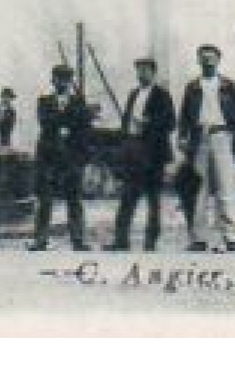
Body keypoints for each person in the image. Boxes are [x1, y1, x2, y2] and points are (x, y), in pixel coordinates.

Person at [178, 43, 235, 253]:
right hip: (199, 138)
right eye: (204, 58)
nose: (208, 61)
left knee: (226, 189)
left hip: (222, 137)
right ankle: (199, 239)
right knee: (198, 190)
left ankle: (230, 237)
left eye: (212, 58)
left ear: (218, 60)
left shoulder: (228, 86)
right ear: (198, 61)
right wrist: (183, 137)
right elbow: (183, 116)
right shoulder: (192, 87)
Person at [108, 57, 176, 252]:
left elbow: (170, 122)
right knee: (127, 198)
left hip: (154, 155)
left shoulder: (162, 95)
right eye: (139, 70)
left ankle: (150, 243)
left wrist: (149, 122)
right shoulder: (133, 94)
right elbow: (126, 124)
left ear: (154, 73)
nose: (142, 74)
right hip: (134, 153)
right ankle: (121, 241)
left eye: (146, 70)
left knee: (153, 201)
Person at [28, 64, 96, 252]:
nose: (62, 82)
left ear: (69, 81)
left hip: (72, 157)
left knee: (74, 199)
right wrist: (71, 117)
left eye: (66, 79)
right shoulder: (44, 101)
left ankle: (78, 239)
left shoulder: (79, 101)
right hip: (48, 157)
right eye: (58, 78)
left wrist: (82, 157)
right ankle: (40, 239)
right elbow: (46, 122)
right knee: (45, 200)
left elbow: (84, 129)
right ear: (53, 80)